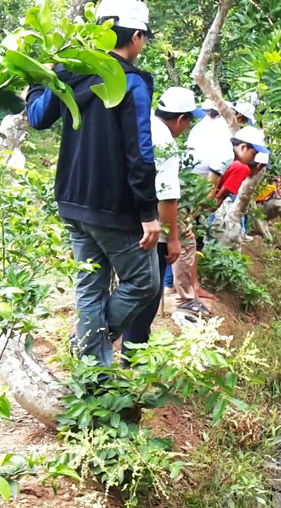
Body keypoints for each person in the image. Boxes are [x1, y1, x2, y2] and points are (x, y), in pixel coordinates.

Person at [26, 0, 160, 367]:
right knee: (144, 283)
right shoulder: (131, 82)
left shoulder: (70, 72)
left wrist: (40, 79)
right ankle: (88, 346)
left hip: (71, 200)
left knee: (90, 286)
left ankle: (93, 374)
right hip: (114, 207)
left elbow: (38, 118)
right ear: (136, 37)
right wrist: (149, 212)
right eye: (143, 38)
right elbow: (140, 152)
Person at [122, 87, 204, 348]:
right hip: (150, 227)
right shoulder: (166, 143)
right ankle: (133, 352)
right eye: (189, 121)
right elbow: (167, 197)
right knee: (148, 290)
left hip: (119, 219)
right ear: (181, 119)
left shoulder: (139, 123)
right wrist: (172, 239)